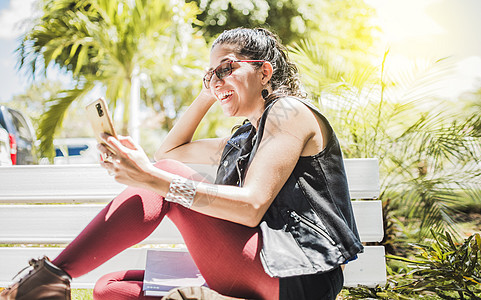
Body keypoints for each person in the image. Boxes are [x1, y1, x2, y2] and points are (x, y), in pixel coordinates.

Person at [0, 27, 363, 300]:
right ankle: (49, 281)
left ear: (264, 72)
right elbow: (169, 152)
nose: (217, 79)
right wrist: (211, 90)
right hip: (258, 264)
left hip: (297, 272)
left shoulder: (289, 112)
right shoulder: (244, 139)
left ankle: (45, 279)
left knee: (167, 178)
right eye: (210, 73)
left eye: (227, 68)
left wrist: (153, 179)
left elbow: (252, 206)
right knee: (110, 287)